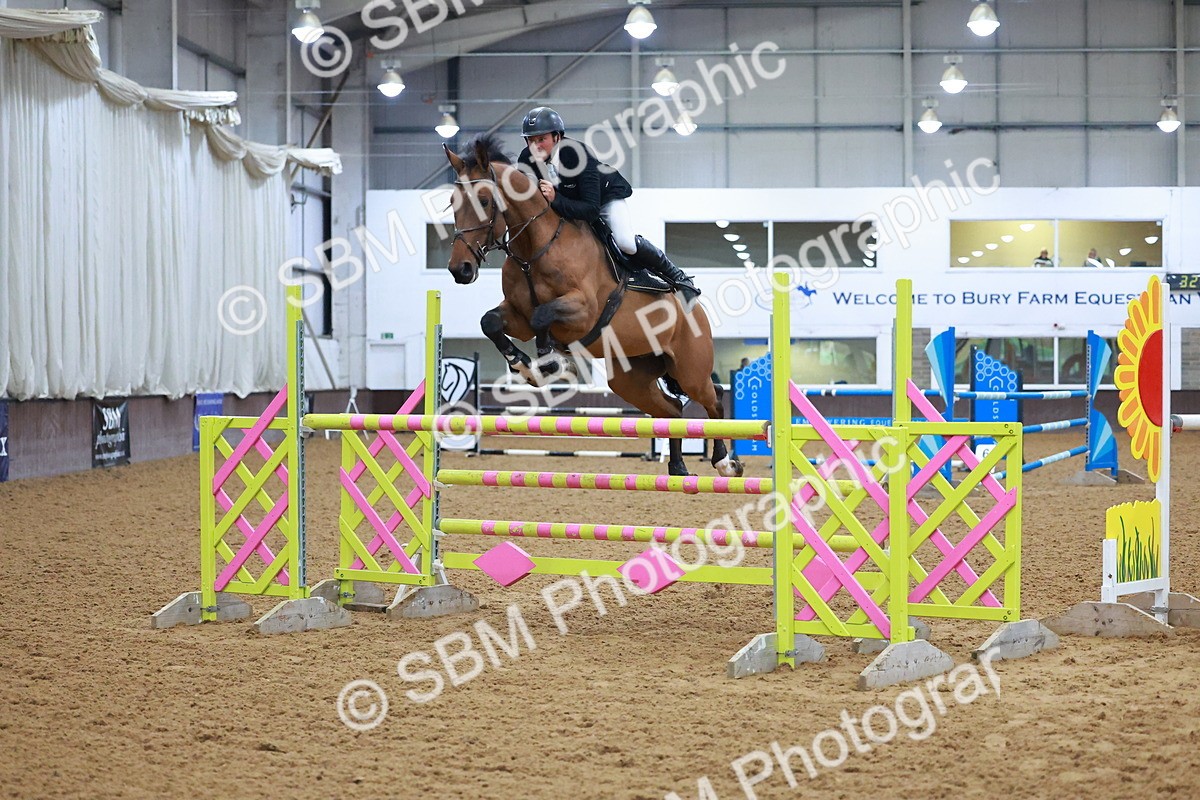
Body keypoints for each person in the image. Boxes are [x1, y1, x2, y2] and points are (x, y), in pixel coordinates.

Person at [516, 106, 700, 308]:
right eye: (531, 140)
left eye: (541, 139)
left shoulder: (579, 155)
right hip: (567, 205)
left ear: (557, 137)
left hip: (603, 199)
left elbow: (591, 210)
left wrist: (555, 198)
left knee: (625, 242)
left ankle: (680, 278)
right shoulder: (526, 160)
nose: (535, 146)